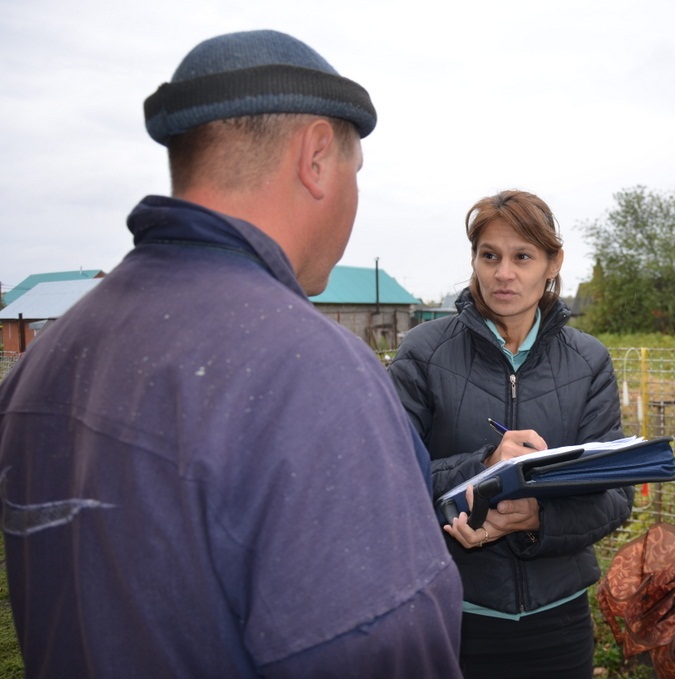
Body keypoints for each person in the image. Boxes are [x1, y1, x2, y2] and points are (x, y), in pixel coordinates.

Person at [0, 30, 463, 678]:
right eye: (357, 172)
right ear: (316, 157)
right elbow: (383, 653)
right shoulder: (313, 374)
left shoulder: (45, 359)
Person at [387, 189, 633, 678]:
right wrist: (481, 467)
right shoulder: (423, 352)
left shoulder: (588, 361)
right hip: (450, 612)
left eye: (522, 256)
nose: (504, 273)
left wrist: (537, 519)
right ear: (474, 261)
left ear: (552, 263)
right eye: (490, 256)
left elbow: (616, 496)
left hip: (557, 620)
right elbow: (386, 478)